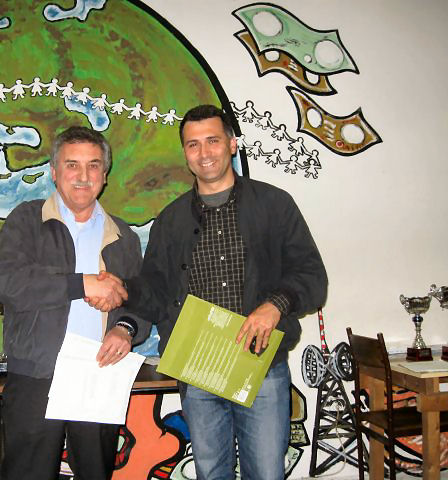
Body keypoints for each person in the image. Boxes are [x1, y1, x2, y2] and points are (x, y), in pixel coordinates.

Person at [121, 104, 328, 479]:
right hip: (198, 369)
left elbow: (312, 276)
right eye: (193, 144)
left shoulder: (274, 205)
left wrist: (275, 305)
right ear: (185, 153)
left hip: (260, 366)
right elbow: (154, 290)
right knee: (210, 473)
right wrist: (121, 296)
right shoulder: (170, 220)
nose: (204, 152)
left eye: (213, 140)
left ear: (232, 144)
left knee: (265, 473)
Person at [0, 126, 148, 480]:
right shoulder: (26, 220)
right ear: (54, 171)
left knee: (95, 473)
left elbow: (140, 300)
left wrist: (125, 329)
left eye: (93, 165)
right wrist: (81, 283)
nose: (83, 176)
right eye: (72, 165)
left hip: (99, 373)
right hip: (35, 375)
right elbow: (9, 282)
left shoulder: (123, 236)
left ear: (105, 175)